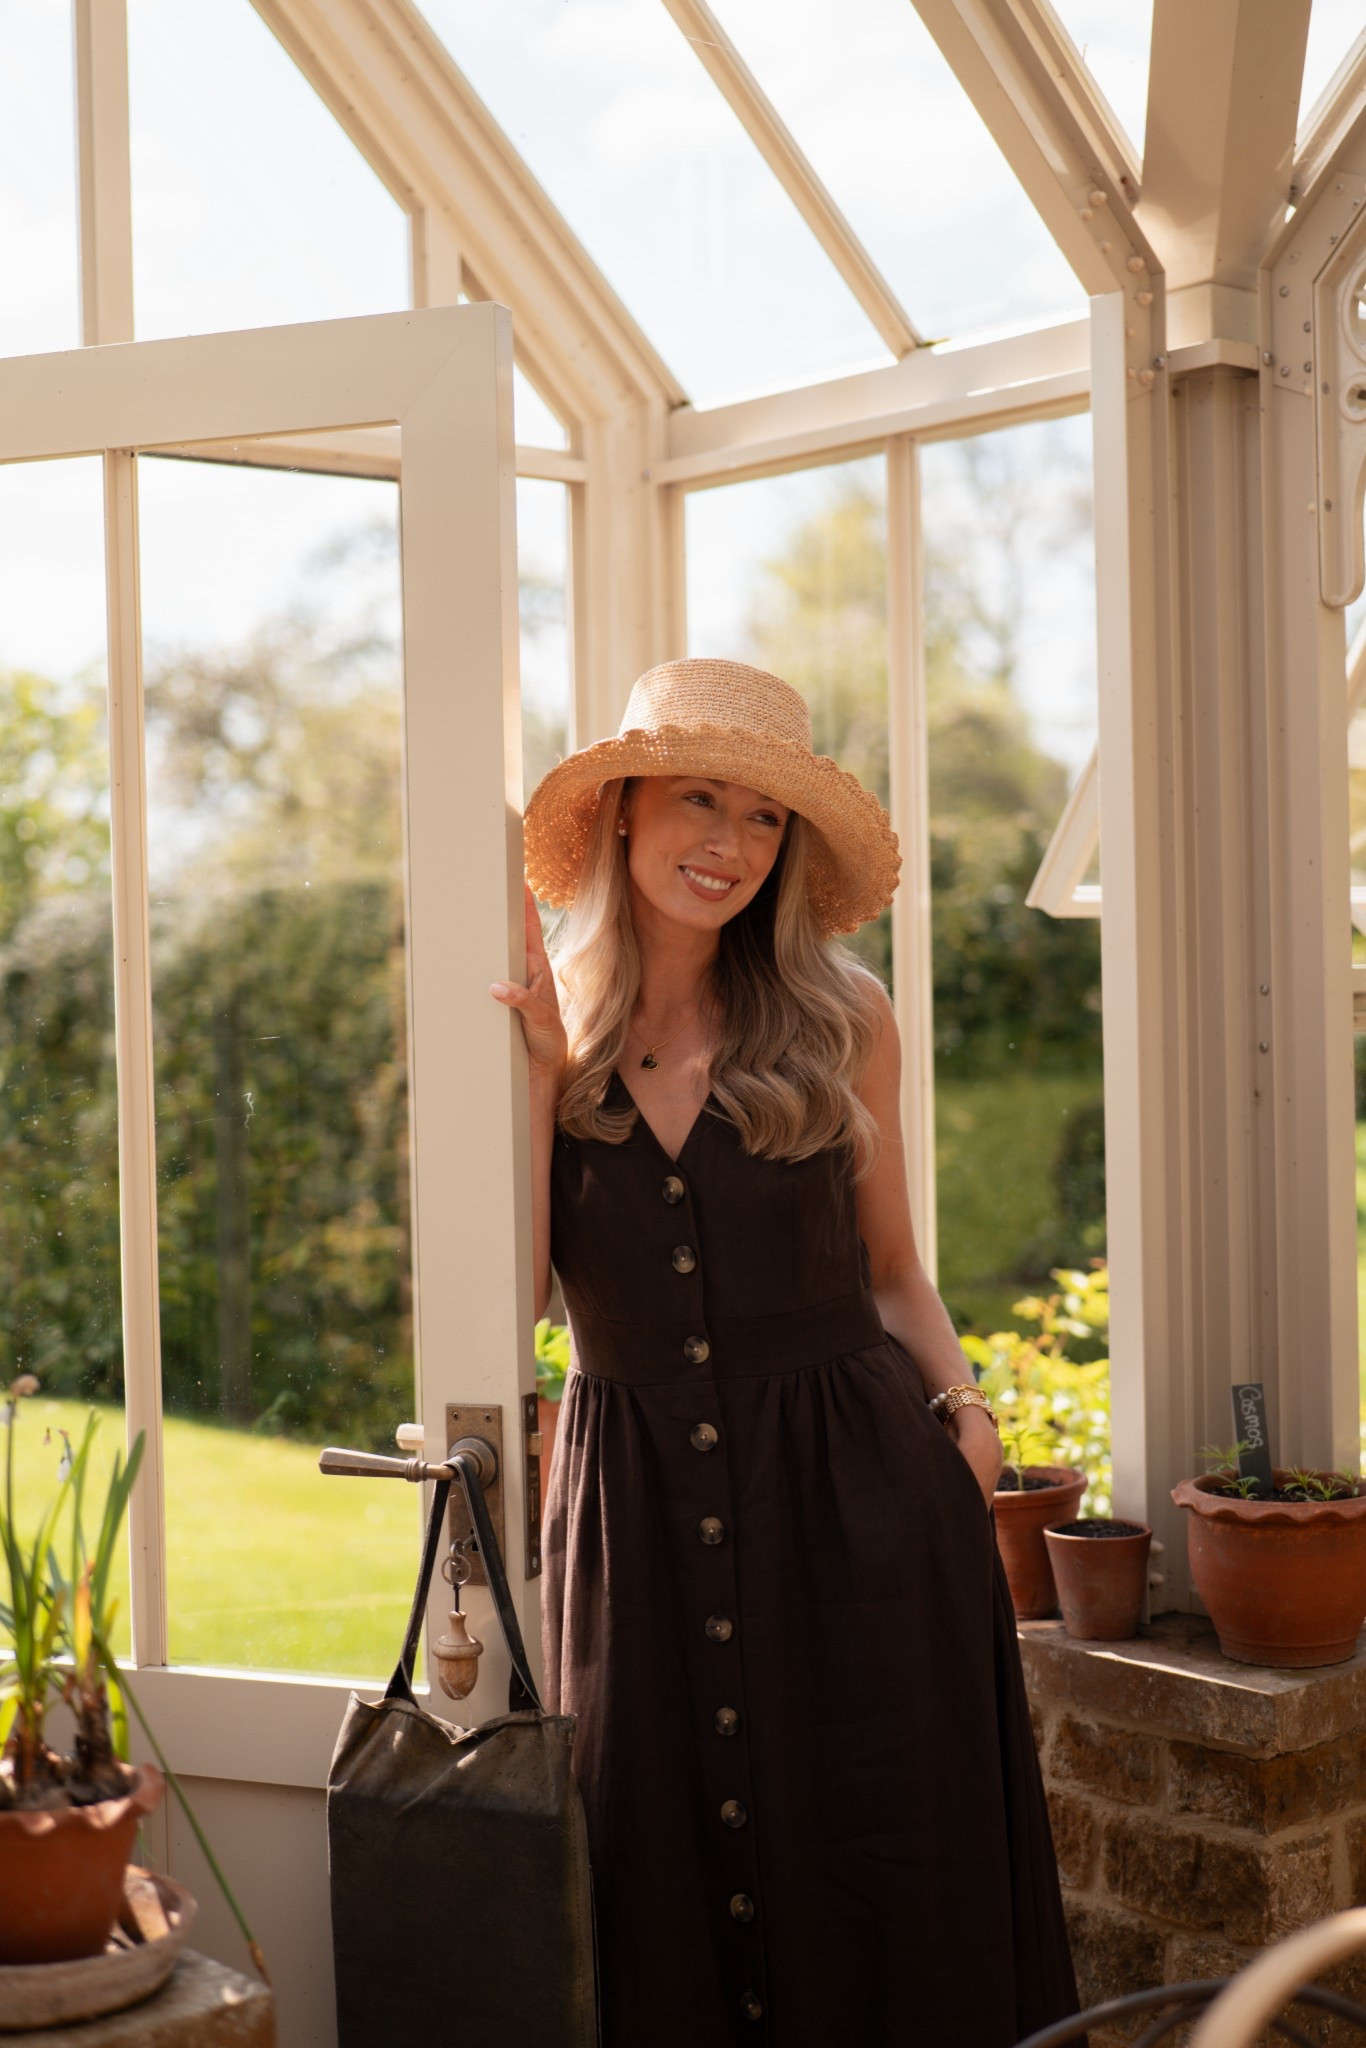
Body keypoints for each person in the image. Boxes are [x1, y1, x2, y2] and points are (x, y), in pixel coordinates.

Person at [490, 658, 1080, 2048]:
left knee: (879, 1863)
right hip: (631, 1509)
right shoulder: (538, 1027)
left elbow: (892, 1272)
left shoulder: (840, 1017)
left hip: (856, 1504)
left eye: (763, 821)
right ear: (624, 812)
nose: (730, 846)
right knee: (656, 1859)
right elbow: (520, 1298)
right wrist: (532, 1089)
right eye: (699, 801)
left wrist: (965, 1423)